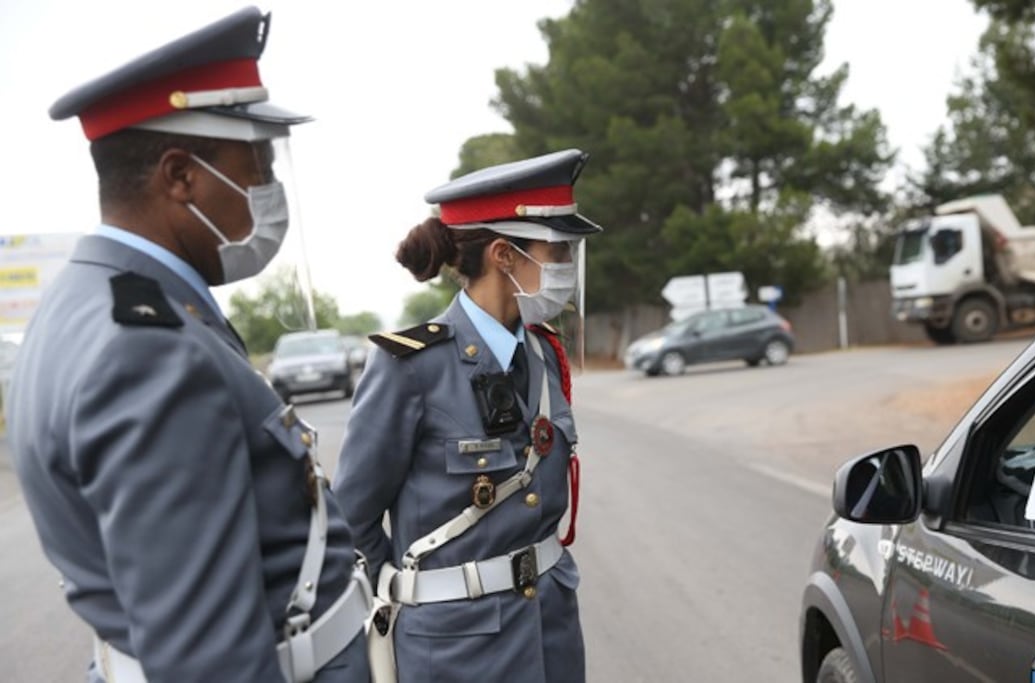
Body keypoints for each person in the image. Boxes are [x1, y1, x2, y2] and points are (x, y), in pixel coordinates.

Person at [8, 7, 372, 682]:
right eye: (256, 162)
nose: (268, 188)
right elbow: (213, 663)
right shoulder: (147, 352)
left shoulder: (85, 304)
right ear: (181, 176)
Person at [333, 149, 600, 682]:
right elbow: (352, 516)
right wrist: (419, 592)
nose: (567, 268)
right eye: (559, 251)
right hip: (455, 651)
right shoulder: (410, 365)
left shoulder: (543, 352)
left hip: (551, 629)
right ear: (504, 254)